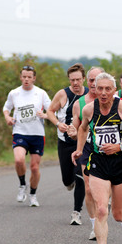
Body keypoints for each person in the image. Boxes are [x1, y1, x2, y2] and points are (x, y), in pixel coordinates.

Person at [71, 72, 122, 244]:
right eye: (99, 88)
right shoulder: (88, 109)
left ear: (114, 91)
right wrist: (79, 148)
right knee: (102, 209)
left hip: (120, 162)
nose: (102, 93)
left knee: (118, 214)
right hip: (99, 162)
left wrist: (119, 146)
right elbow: (83, 129)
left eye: (107, 89)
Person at [3, 65, 51, 207]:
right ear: (20, 77)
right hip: (20, 132)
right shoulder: (14, 93)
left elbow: (52, 110)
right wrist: (8, 117)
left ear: (34, 78)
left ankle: (33, 195)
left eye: (29, 77)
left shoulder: (41, 93)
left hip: (37, 134)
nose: (26, 79)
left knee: (35, 167)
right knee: (19, 160)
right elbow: (6, 108)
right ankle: (22, 185)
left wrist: (46, 115)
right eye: (24, 76)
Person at [47, 63, 88, 225]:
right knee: (67, 179)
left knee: (81, 176)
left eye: (78, 79)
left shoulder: (89, 95)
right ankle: (68, 181)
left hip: (82, 142)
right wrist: (58, 123)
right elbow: (50, 111)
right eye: (72, 80)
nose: (76, 83)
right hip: (65, 141)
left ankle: (76, 212)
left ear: (84, 79)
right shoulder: (62, 94)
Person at [68, 66, 105, 240]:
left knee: (104, 189)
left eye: (96, 80)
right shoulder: (79, 103)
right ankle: (94, 225)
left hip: (107, 149)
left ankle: (105, 208)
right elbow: (76, 127)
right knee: (89, 188)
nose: (93, 83)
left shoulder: (114, 100)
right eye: (90, 80)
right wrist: (73, 132)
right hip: (88, 148)